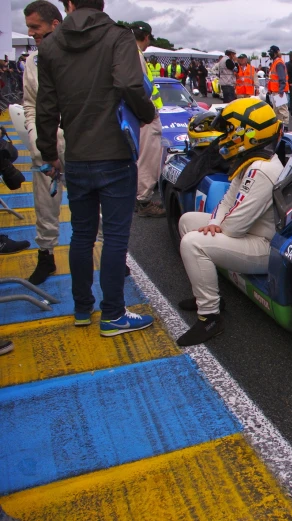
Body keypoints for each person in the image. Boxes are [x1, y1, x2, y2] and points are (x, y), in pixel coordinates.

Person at [37, 0, 156, 334]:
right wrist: (146, 115)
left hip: (76, 152)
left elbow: (46, 106)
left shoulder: (49, 46)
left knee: (81, 234)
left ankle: (81, 308)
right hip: (114, 151)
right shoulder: (117, 36)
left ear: (69, 4)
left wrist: (49, 152)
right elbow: (131, 85)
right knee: (116, 237)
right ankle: (113, 313)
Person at [176, 99, 283, 346]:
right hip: (249, 234)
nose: (226, 136)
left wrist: (217, 226)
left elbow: (235, 226)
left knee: (193, 243)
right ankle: (205, 295)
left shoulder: (263, 169)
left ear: (249, 132)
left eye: (230, 130)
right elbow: (227, 202)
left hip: (265, 247)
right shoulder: (251, 160)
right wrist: (214, 223)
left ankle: (210, 318)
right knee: (187, 222)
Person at [22, 0, 67, 284]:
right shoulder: (32, 61)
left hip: (81, 146)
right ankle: (45, 256)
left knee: (92, 205)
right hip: (45, 146)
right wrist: (34, 135)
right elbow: (29, 104)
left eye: (34, 27)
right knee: (45, 205)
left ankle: (109, 255)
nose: (31, 33)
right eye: (28, 28)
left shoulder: (80, 56)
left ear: (55, 24)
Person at [130, 21, 166, 218]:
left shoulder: (127, 53)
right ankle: (143, 200)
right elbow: (139, 88)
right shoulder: (135, 55)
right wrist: (149, 113)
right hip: (145, 116)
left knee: (140, 158)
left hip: (136, 115)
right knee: (148, 159)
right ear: (146, 37)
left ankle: (138, 197)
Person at [267, 45, 289, 130]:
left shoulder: (278, 63)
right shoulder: (276, 62)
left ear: (275, 53)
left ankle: (285, 126)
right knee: (277, 110)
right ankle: (280, 126)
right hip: (276, 90)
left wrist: (281, 90)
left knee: (282, 109)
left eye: (271, 52)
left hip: (279, 91)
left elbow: (282, 78)